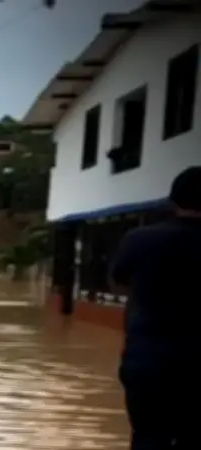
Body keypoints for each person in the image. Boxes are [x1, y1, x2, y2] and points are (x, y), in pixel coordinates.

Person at [109, 166, 201, 450]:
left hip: (147, 362)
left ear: (173, 200)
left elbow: (118, 283)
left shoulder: (139, 239)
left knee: (148, 438)